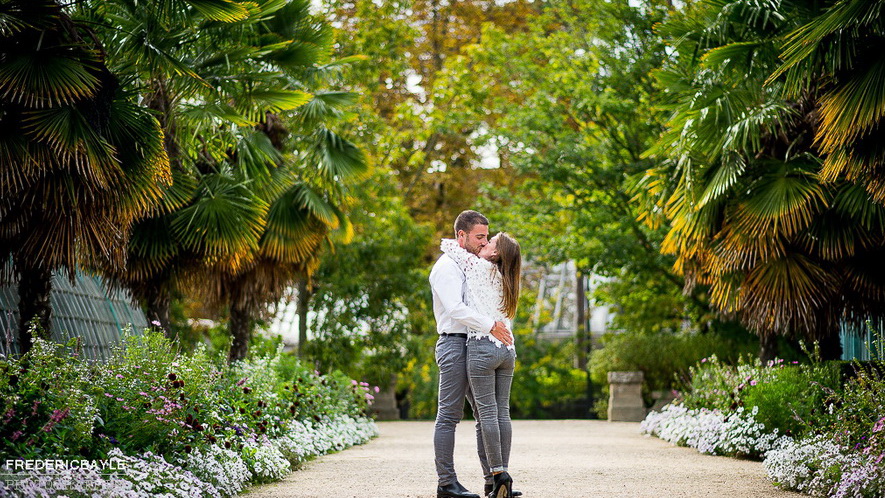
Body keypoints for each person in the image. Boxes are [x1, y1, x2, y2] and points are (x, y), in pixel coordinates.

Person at [430, 210, 514, 498]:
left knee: (484, 415)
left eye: (487, 237)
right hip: (454, 344)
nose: (484, 242)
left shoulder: (469, 264)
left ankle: (493, 479)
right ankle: (446, 483)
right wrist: (491, 325)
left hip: (475, 344)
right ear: (461, 236)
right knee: (449, 416)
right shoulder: (446, 267)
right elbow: (455, 308)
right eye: (479, 237)